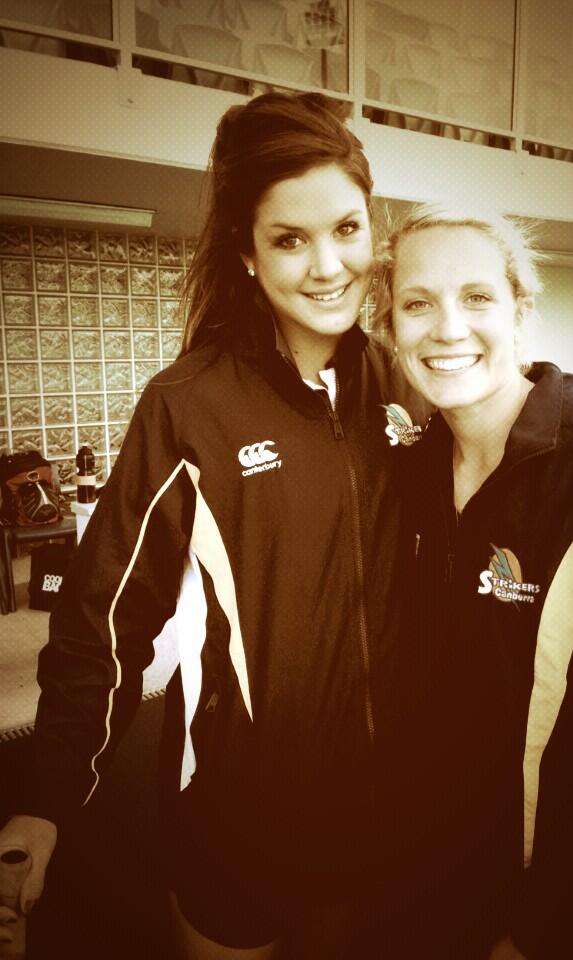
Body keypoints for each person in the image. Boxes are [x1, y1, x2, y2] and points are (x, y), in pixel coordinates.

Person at [0, 92, 427, 958]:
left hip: (382, 825)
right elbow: (103, 620)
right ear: (247, 253)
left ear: (373, 230)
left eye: (347, 229)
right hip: (238, 823)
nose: (328, 266)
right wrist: (45, 801)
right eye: (290, 239)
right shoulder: (189, 406)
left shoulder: (410, 392)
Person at [374, 204, 573, 959]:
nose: (448, 328)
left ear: (520, 311)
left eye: (477, 297)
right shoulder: (413, 468)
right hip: (427, 866)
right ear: (391, 328)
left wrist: (558, 921)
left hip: (551, 888)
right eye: (417, 303)